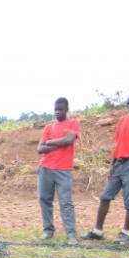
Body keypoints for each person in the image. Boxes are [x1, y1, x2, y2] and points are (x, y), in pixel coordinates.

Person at [83, 92, 129, 245]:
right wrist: (112, 165)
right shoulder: (123, 120)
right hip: (118, 164)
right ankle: (98, 231)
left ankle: (125, 233)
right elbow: (119, 144)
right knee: (105, 197)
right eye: (128, 103)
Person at [36, 97, 81, 245]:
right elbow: (39, 149)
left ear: (66, 110)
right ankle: (48, 230)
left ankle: (71, 234)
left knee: (66, 202)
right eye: (55, 109)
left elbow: (68, 140)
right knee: (44, 199)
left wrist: (49, 142)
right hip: (46, 168)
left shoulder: (73, 123)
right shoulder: (49, 127)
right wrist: (58, 143)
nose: (57, 112)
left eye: (60, 109)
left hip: (63, 170)